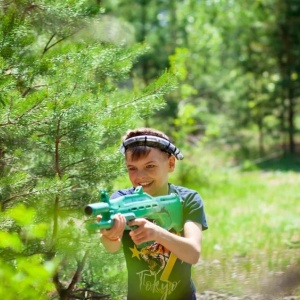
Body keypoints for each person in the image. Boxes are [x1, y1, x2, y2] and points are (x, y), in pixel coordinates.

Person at [98, 128, 208, 300]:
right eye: (132, 168)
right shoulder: (121, 201)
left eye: (150, 166)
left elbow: (193, 254)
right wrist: (110, 235)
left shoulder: (187, 199)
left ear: (171, 164)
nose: (140, 176)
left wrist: (157, 233)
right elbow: (111, 247)